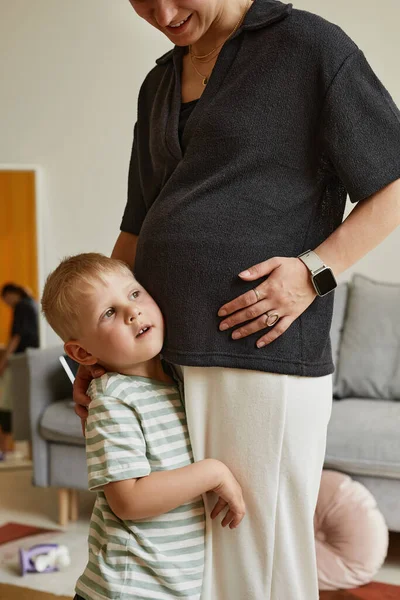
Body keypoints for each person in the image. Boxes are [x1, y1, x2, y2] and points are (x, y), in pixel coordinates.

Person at [74, 1, 400, 598]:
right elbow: (138, 224)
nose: (163, 12)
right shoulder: (160, 81)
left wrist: (314, 273)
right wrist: (95, 358)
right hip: (164, 360)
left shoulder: (309, 47)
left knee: (259, 556)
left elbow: (394, 182)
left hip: (261, 349)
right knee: (194, 558)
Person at [41, 252, 245, 600]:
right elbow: (129, 500)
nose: (131, 311)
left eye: (134, 294)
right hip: (128, 588)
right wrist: (214, 473)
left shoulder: (178, 382)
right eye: (108, 313)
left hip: (169, 585)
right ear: (83, 354)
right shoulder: (113, 400)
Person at [0, 283, 39, 375]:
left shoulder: (21, 305)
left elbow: (16, 336)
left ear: (9, 294)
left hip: (25, 354)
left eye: (5, 300)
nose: (7, 304)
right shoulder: (32, 302)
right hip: (34, 352)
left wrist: (3, 363)